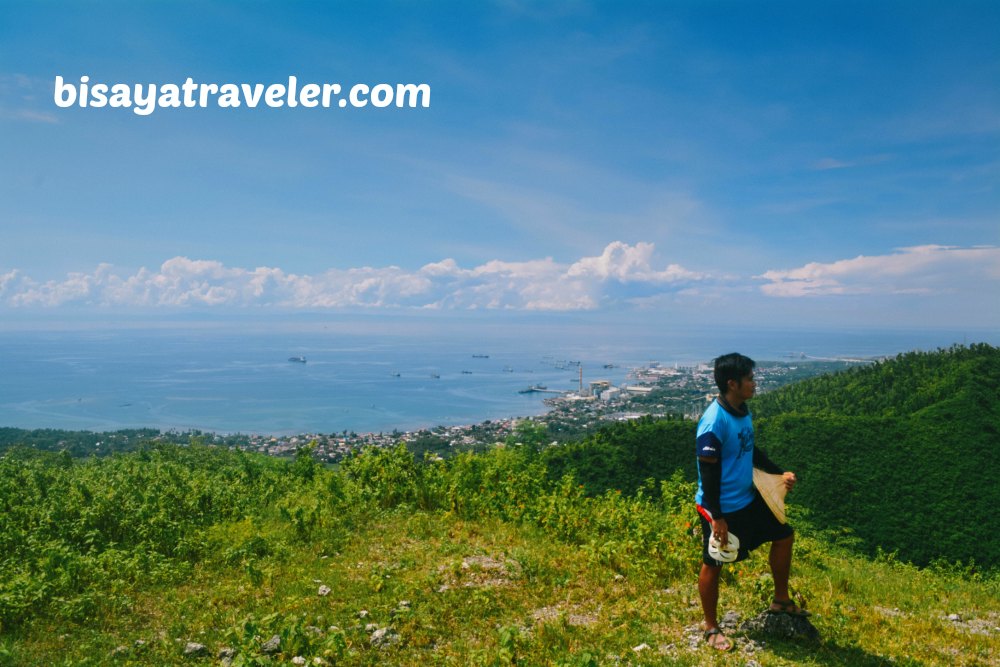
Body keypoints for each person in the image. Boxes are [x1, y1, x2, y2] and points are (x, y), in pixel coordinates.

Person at [695, 353, 807, 651]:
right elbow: (707, 470)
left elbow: (750, 450)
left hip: (748, 498)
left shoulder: (741, 411)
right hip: (721, 506)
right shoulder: (714, 422)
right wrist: (716, 516)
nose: (755, 384)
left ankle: (780, 600)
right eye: (750, 379)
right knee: (714, 562)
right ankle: (710, 626)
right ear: (732, 383)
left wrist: (778, 472)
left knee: (784, 536)